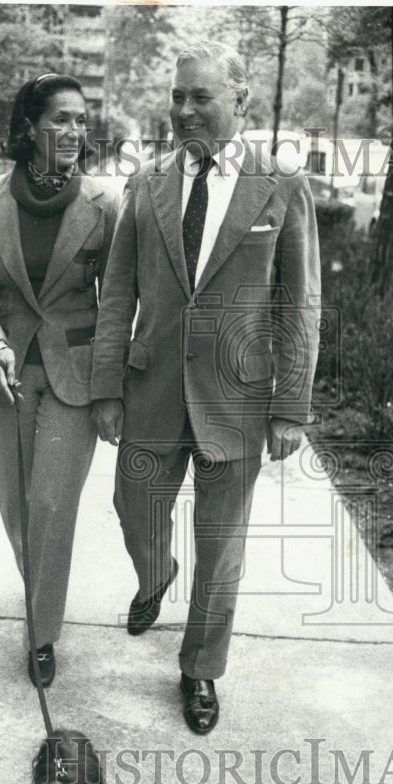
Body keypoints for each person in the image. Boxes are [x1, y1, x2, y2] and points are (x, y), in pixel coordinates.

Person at [90, 41, 321, 734]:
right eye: (177, 96)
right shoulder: (148, 182)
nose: (184, 109)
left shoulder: (280, 185)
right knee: (134, 508)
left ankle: (199, 670)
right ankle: (153, 575)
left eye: (201, 96)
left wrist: (290, 407)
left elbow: (298, 303)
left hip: (237, 398)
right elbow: (117, 293)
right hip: (150, 389)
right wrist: (106, 386)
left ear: (240, 101)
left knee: (220, 547)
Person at [0, 73, 120, 688]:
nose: (76, 132)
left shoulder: (105, 205)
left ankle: (41, 633)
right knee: (18, 508)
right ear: (29, 128)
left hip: (73, 380)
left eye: (82, 120)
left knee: (52, 504)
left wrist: (111, 387)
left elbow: (118, 299)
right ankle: (43, 595)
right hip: (6, 379)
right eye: (61, 120)